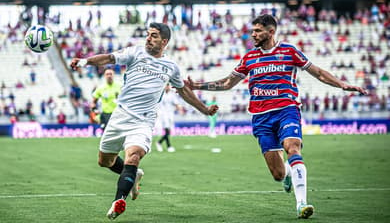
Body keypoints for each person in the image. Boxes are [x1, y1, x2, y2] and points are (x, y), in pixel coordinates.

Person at [185, 14, 367, 219]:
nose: (253, 34)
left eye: (257, 31)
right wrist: (197, 86)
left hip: (287, 109)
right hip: (261, 117)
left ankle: (302, 204)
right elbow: (228, 83)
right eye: (252, 31)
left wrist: (342, 84)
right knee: (278, 174)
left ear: (271, 32)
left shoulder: (289, 51)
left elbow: (318, 72)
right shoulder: (249, 57)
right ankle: (289, 173)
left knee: (292, 147)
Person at [70, 22, 218, 220]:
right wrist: (84, 61)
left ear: (164, 41)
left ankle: (118, 201)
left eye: (154, 35)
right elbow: (109, 58)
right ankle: (135, 175)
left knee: (133, 156)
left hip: (143, 122)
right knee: (104, 161)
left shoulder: (171, 67)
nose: (148, 38)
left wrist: (205, 110)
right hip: (120, 116)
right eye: (148, 34)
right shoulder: (135, 53)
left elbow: (184, 91)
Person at [155, 84, 181, 152]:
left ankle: (159, 143)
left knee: (168, 131)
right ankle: (168, 146)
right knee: (167, 130)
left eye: (168, 86)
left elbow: (176, 103)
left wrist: (180, 109)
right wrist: (156, 112)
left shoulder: (172, 95)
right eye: (166, 86)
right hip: (163, 114)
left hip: (170, 114)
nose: (167, 87)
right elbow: (157, 104)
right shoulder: (160, 94)